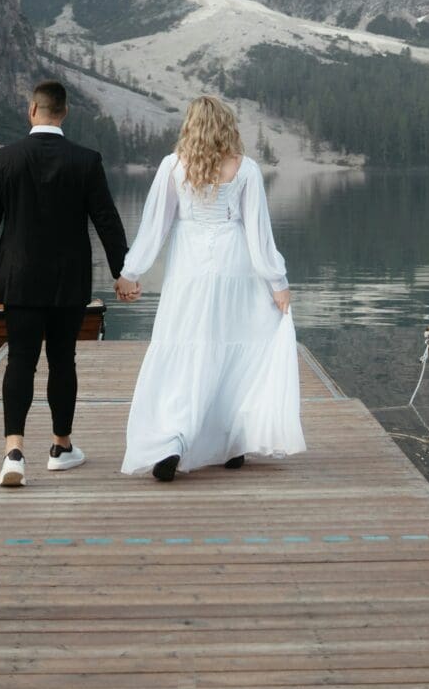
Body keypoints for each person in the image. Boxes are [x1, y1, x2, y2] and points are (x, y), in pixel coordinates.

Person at [116, 94, 304, 481]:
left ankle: (172, 440)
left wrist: (131, 271)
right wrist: (277, 282)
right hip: (235, 269)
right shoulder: (245, 168)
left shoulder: (173, 166)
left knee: (187, 348)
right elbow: (258, 233)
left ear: (191, 125)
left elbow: (156, 226)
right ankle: (232, 442)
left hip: (189, 271)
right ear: (226, 125)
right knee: (236, 350)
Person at [0, 79, 130, 488]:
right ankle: (60, 447)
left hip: (18, 278)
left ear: (31, 110)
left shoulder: (3, 159)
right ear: (65, 112)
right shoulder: (85, 160)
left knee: (19, 359)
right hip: (67, 282)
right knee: (62, 360)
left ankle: (13, 452)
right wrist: (121, 271)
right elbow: (106, 220)